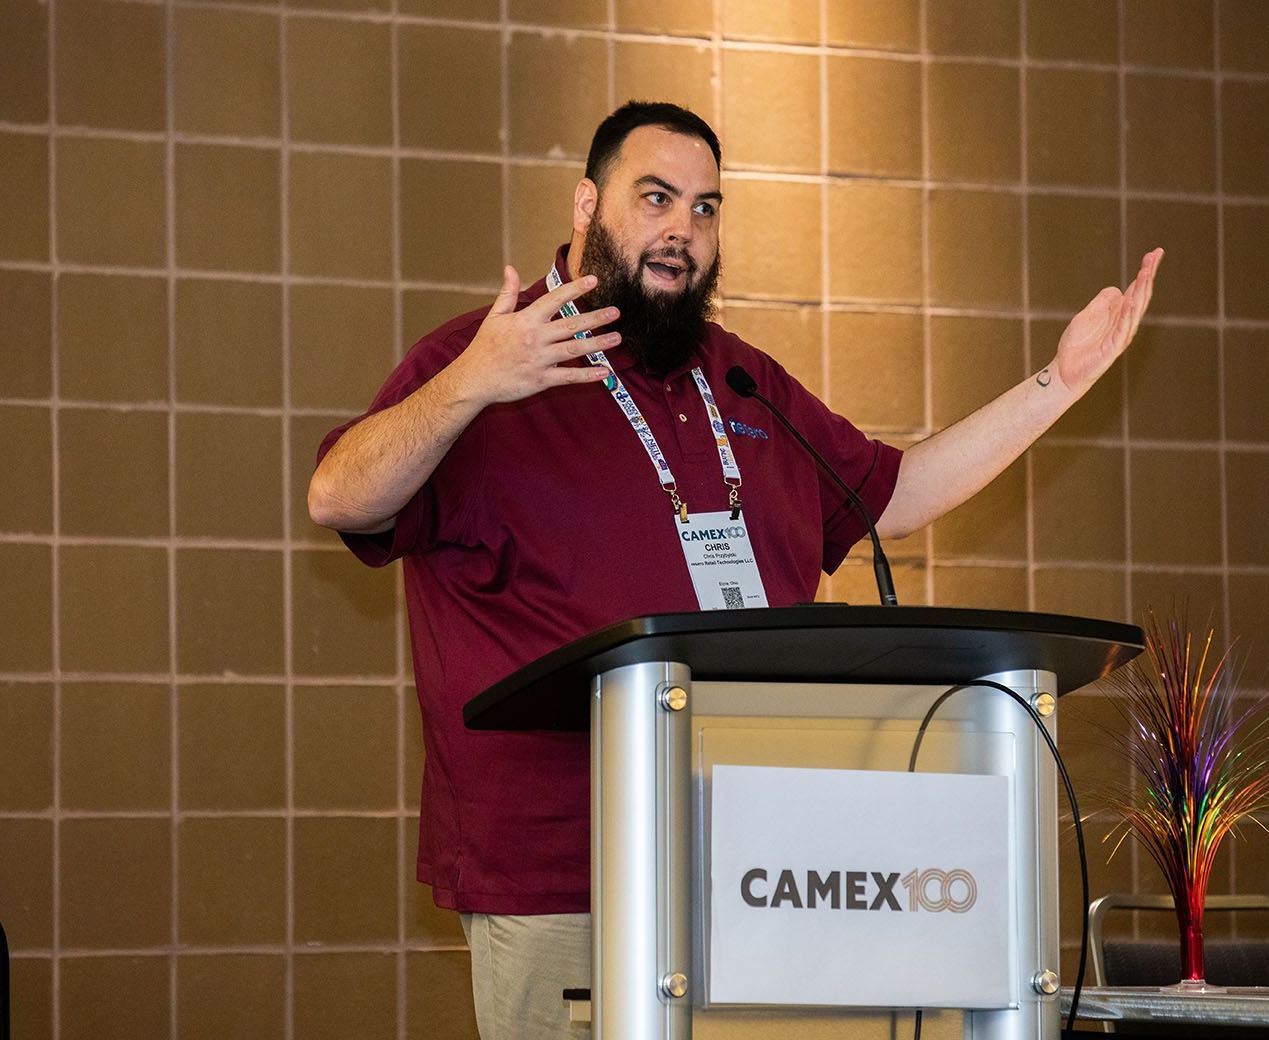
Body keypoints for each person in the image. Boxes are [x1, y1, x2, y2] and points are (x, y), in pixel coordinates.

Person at [308, 101, 1162, 1039]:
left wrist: (1058, 383)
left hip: (759, 866)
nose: (683, 228)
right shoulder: (482, 360)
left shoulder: (743, 381)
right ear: (587, 206)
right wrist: (472, 384)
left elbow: (896, 493)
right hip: (563, 878)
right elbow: (339, 496)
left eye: (706, 207)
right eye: (656, 198)